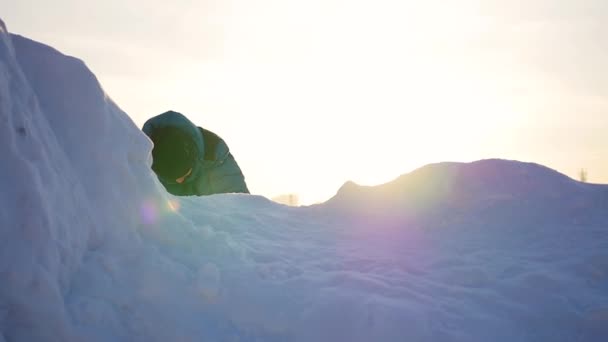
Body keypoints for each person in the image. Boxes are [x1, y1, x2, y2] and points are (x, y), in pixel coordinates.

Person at [142, 110, 249, 196]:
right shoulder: (139, 162)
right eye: (172, 180)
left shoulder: (215, 159)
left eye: (185, 174)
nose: (180, 181)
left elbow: (239, 212)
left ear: (194, 158)